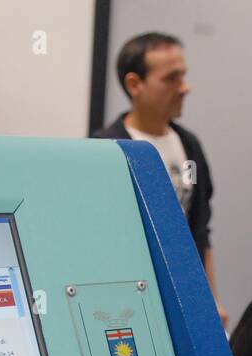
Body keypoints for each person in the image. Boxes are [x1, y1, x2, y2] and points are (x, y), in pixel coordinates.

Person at [92, 32, 227, 328]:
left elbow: (201, 229)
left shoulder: (189, 144)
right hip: (129, 298)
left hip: (182, 290)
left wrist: (210, 299)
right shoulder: (105, 150)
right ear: (134, 84)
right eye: (171, 78)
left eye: (184, 76)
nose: (185, 88)